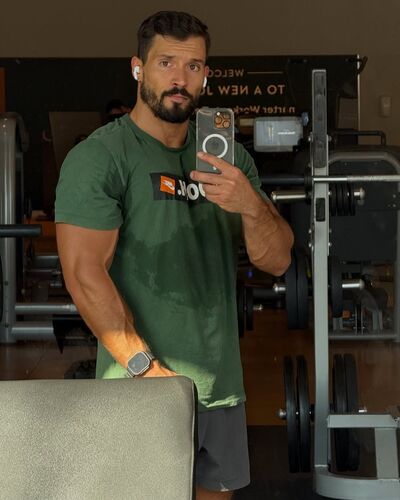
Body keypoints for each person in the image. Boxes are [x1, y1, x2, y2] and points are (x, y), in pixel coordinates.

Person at [55, 10, 294, 500]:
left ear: (206, 75)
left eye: (193, 66)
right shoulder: (101, 158)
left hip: (219, 387)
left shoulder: (229, 159)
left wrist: (250, 204)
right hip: (138, 386)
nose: (180, 79)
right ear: (137, 68)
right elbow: (84, 274)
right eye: (166, 63)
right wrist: (145, 368)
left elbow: (277, 261)